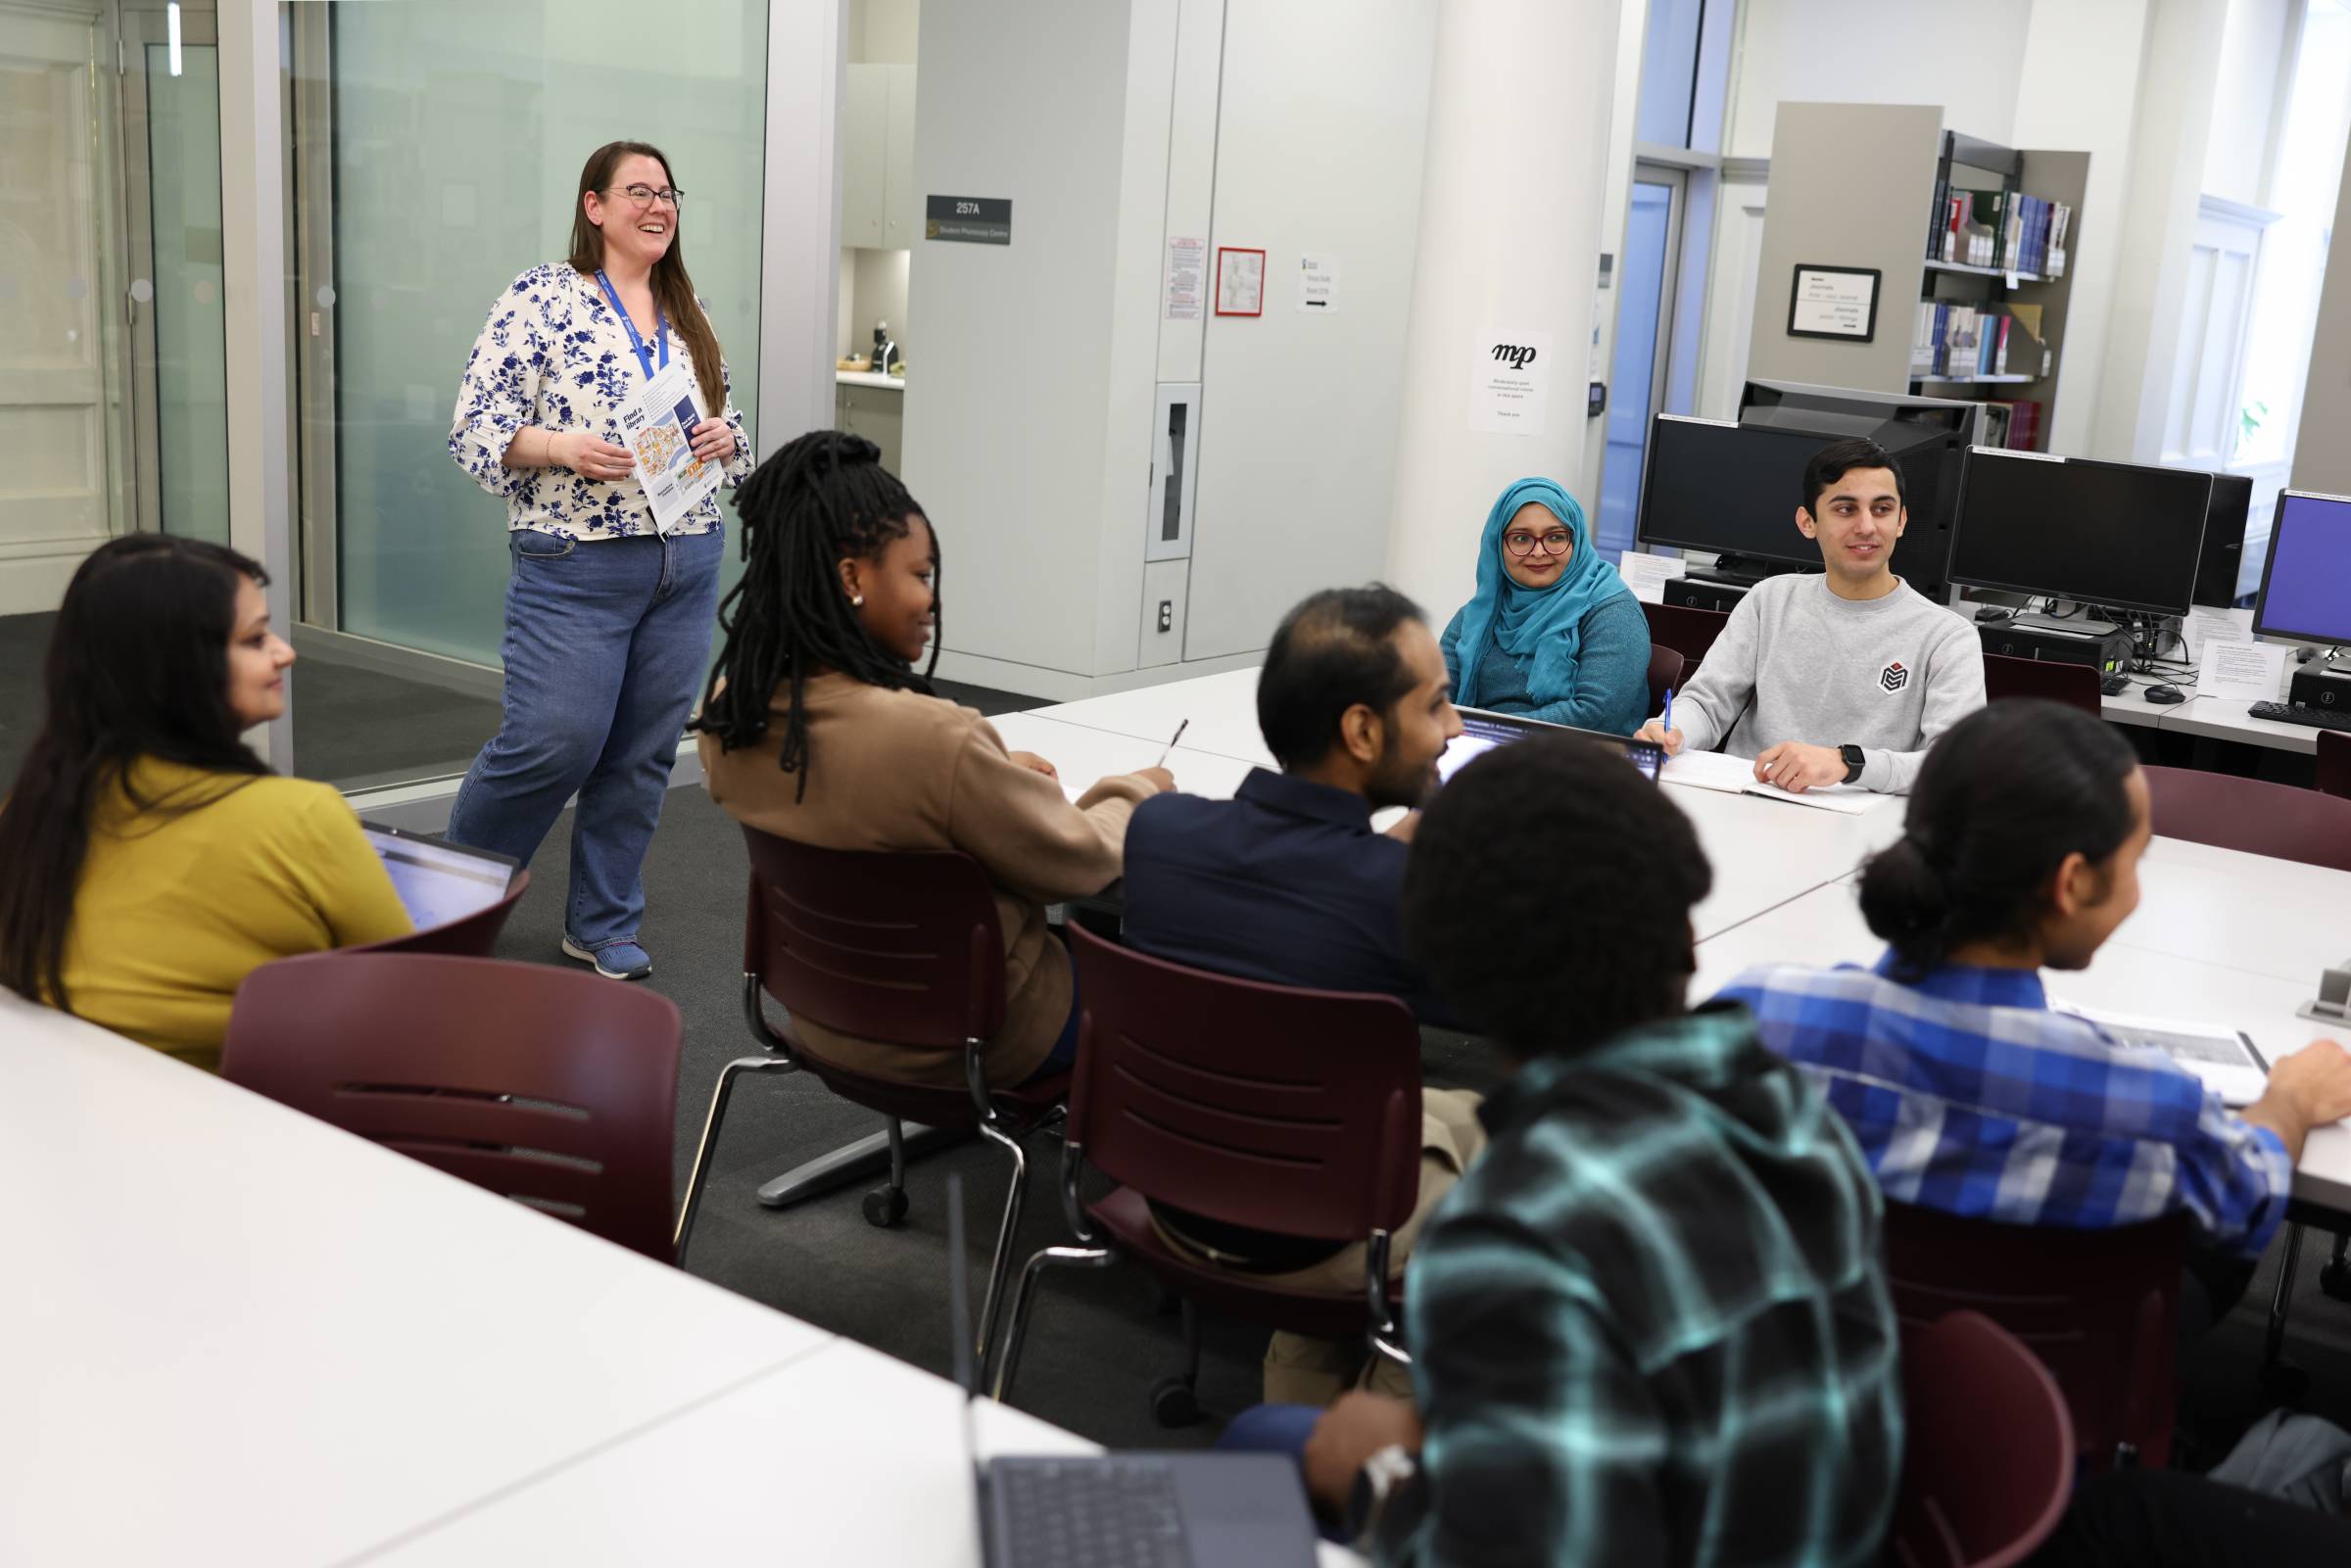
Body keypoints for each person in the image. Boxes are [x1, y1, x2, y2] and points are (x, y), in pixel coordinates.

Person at [1250, 735, 1901, 1564]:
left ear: (1450, 975)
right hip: (1800, 1527)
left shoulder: (1511, 1229)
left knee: (1269, 1445)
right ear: (1686, 925)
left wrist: (1381, 1469)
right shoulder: (1796, 1112)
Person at [1714, 698, 2351, 1326]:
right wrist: (2290, 1102)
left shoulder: (1756, 1016)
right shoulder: (2146, 1103)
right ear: (2072, 883)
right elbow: (2244, 1198)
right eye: (2136, 861)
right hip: (2033, 1404)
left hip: (1813, 1370)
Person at [695, 430, 1172, 1089]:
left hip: (828, 1012)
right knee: (1169, 981)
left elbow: (857, 789)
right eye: (920, 575)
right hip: (981, 1036)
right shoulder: (930, 742)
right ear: (853, 577)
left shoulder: (731, 713)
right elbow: (1078, 862)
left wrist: (986, 771)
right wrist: (1137, 790)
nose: (933, 599)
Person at [1121, 584, 1481, 1404]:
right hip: (1323, 1230)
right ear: (1361, 730)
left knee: (1450, 1113)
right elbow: (1540, 1006)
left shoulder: (1159, 835)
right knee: (1542, 1145)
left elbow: (1302, 896)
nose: (1455, 729)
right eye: (1437, 705)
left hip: (1168, 1191)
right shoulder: (1401, 894)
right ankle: (1387, 1411)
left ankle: (1299, 1386)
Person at [445, 139, 754, 981]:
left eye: (668, 193)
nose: (658, 207)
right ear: (595, 207)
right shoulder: (543, 298)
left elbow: (729, 429)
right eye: (638, 192)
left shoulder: (687, 304)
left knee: (642, 753)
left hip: (686, 558)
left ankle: (603, 923)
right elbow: (474, 428)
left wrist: (731, 438)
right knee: (553, 741)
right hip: (576, 561)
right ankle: (449, 898)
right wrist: (561, 447)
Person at [0, 538, 410, 1069]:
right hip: (252, 1130)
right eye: (256, 638)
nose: (285, 652)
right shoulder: (301, 819)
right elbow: (412, 1007)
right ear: (179, 668)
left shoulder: (27, 814)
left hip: (57, 1118)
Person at [1633, 436, 1984, 794]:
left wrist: (1848, 764)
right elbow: (1707, 704)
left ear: (1902, 521)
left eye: (1881, 509)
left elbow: (1956, 765)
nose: (1866, 526)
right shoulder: (1769, 599)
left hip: (1862, 826)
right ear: (1807, 522)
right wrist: (1669, 731)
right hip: (1753, 802)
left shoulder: (1948, 636)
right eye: (1846, 509)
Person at [1438, 478, 1650, 735]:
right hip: (1478, 752)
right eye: (1521, 539)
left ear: (1577, 539)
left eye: (1556, 537)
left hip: (1576, 761)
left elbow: (1594, 714)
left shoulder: (1612, 610)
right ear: (1498, 545)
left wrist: (1486, 733)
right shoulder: (1480, 613)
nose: (1538, 551)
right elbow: (1435, 697)